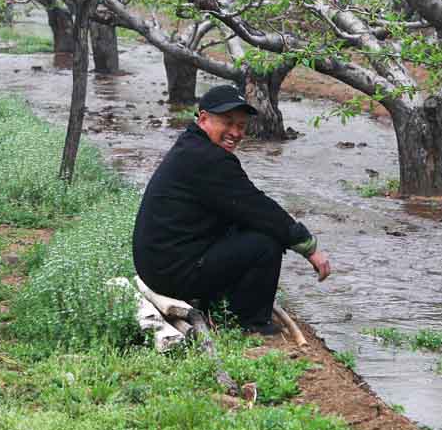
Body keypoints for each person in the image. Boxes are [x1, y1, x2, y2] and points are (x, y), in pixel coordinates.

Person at [132, 84, 331, 335]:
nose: (235, 133)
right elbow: (259, 208)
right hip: (171, 273)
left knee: (245, 224)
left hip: (161, 266)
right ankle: (250, 323)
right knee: (266, 242)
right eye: (227, 123)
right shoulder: (208, 159)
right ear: (203, 119)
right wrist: (308, 248)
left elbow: (243, 208)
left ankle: (224, 305)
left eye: (241, 126)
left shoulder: (193, 146)